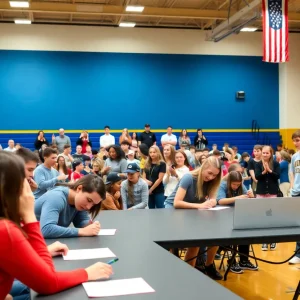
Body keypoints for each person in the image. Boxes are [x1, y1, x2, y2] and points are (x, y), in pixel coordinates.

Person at [0, 152, 113, 300]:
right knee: (27, 289)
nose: (30, 187)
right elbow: (48, 282)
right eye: (25, 181)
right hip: (36, 248)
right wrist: (87, 273)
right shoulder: (5, 230)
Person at [164, 156, 222, 280]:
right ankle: (187, 273)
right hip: (174, 211)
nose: (211, 177)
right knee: (195, 242)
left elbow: (212, 199)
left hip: (193, 211)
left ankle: (209, 265)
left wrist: (212, 202)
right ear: (203, 167)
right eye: (210, 173)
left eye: (215, 175)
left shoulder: (212, 182)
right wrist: (201, 205)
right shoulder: (188, 177)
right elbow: (177, 203)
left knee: (216, 236)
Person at [35, 175, 105, 238]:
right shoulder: (56, 197)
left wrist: (90, 225)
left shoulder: (78, 203)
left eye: (93, 204)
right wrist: (82, 231)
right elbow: (46, 229)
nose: (88, 207)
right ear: (79, 188)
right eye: (89, 200)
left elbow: (81, 221)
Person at [217, 171, 257, 274]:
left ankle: (243, 260)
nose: (236, 186)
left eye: (238, 184)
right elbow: (220, 201)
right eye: (234, 184)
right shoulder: (222, 185)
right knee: (230, 233)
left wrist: (251, 196)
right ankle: (232, 260)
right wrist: (238, 198)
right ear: (229, 181)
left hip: (237, 215)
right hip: (223, 217)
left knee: (245, 232)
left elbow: (247, 199)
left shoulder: (241, 186)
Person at [255, 145, 280, 251]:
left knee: (271, 217)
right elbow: (257, 176)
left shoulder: (275, 163)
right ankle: (264, 241)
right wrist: (263, 172)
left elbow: (277, 176)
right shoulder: (258, 164)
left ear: (271, 154)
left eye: (267, 153)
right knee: (262, 217)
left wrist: (269, 170)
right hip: (261, 192)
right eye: (263, 153)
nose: (265, 154)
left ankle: (272, 239)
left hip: (272, 193)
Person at [289, 130, 300, 264]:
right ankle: (298, 254)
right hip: (297, 192)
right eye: (294, 140)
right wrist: (292, 187)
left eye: (298, 140)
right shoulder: (294, 157)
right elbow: (292, 173)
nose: (296, 143)